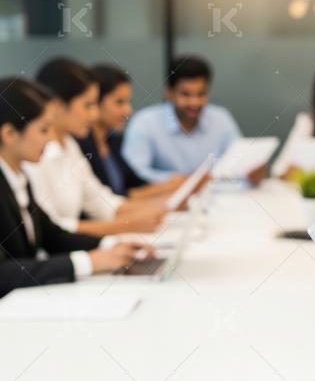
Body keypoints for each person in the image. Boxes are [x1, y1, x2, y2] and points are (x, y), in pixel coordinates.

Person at [0, 77, 156, 297]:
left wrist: (110, 244)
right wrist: (87, 262)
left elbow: (51, 235)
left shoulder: (17, 175)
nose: (50, 140)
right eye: (44, 130)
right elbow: (3, 273)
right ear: (9, 134)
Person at [25, 58, 166, 237]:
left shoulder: (69, 145)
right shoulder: (34, 155)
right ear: (58, 105)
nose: (94, 114)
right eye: (88, 105)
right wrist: (127, 226)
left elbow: (100, 201)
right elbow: (51, 229)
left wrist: (163, 209)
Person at [122, 55, 267, 185]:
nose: (194, 103)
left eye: (201, 94)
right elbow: (135, 173)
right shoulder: (145, 122)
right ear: (169, 93)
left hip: (216, 199)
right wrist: (180, 180)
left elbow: (238, 163)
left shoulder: (221, 118)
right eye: (186, 95)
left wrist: (251, 173)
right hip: (162, 201)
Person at [76, 64, 187, 198]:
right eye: (119, 102)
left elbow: (136, 184)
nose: (128, 111)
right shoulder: (80, 146)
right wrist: (169, 186)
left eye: (128, 102)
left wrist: (175, 183)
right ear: (95, 101)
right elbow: (113, 197)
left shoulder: (113, 142)